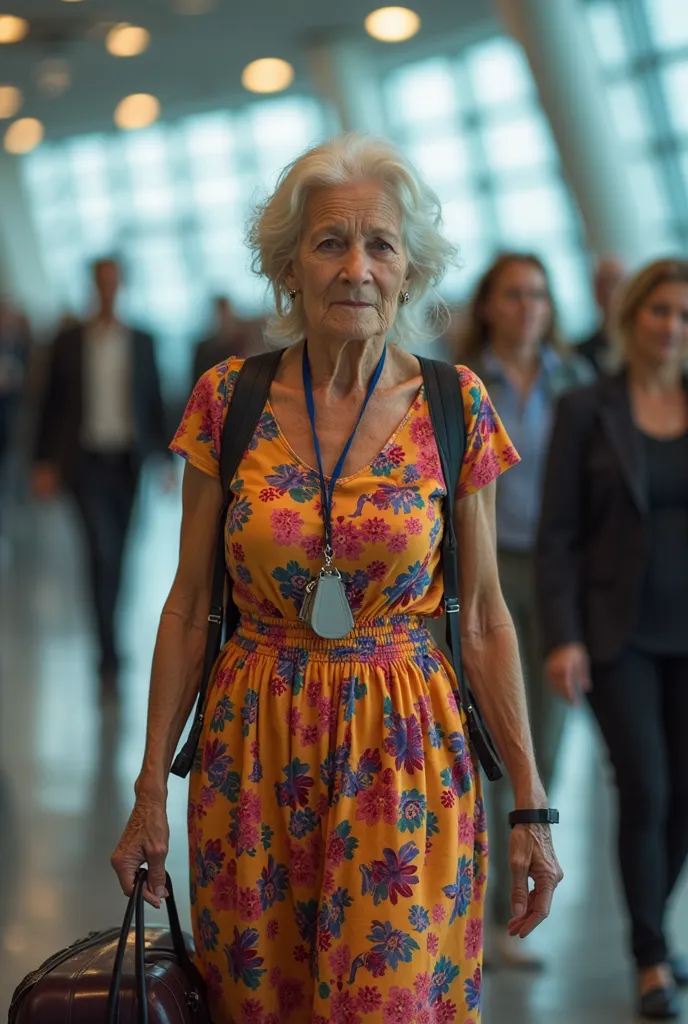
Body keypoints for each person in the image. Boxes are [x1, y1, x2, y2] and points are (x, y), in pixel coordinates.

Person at [111, 134, 562, 1024]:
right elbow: (189, 605)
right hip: (251, 754)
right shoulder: (226, 399)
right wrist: (146, 793)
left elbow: (485, 624)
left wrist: (532, 808)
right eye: (330, 243)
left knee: (390, 1004)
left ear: (409, 271)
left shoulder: (456, 404)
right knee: (258, 1003)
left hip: (407, 752)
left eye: (381, 245)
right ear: (288, 267)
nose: (357, 267)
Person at [537, 258, 688, 1021]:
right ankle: (651, 958)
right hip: (617, 633)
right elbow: (558, 535)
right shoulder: (587, 408)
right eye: (661, 310)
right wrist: (563, 637)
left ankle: (653, 922)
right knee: (647, 787)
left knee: (685, 795)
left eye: (685, 316)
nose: (673, 326)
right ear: (634, 319)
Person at [457, 252, 592, 968]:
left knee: (543, 741)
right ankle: (473, 908)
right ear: (488, 305)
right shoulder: (460, 387)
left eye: (539, 294)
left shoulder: (575, 383)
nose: (528, 307)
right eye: (513, 294)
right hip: (486, 570)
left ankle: (519, 889)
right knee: (486, 741)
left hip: (558, 574)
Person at [32, 258, 172, 697]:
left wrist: (167, 461)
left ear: (122, 285)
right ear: (93, 285)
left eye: (115, 282)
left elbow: (156, 400)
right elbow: (49, 402)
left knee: (122, 552)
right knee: (100, 552)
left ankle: (111, 642)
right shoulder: (69, 341)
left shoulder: (143, 341)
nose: (108, 289)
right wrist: (43, 462)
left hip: (128, 464)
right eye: (102, 282)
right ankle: (107, 652)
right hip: (84, 462)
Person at [191, 296, 260, 384]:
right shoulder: (204, 348)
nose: (222, 317)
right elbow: (197, 380)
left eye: (224, 313)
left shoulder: (240, 344)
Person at [578, 255, 626, 374]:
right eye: (603, 283)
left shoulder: (643, 347)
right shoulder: (581, 352)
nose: (609, 290)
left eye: (615, 281)